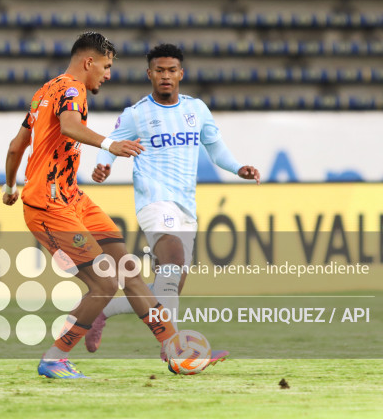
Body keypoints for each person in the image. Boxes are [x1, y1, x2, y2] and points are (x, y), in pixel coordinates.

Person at [2, 32, 179, 379]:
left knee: (127, 269)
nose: (108, 75)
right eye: (107, 66)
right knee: (104, 284)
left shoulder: (44, 92)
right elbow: (69, 127)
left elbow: (16, 146)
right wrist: (110, 144)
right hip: (49, 205)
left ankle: (176, 348)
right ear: (89, 62)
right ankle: (54, 358)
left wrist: (9, 186)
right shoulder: (72, 90)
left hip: (72, 197)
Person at [86, 43, 260, 360]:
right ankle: (175, 350)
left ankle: (101, 311)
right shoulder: (137, 114)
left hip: (186, 207)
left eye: (171, 70)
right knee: (172, 263)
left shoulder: (196, 109)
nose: (166, 76)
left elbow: (216, 148)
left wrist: (239, 168)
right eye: (159, 70)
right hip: (154, 201)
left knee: (168, 287)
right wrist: (104, 165)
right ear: (149, 74)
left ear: (181, 73)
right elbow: (109, 144)